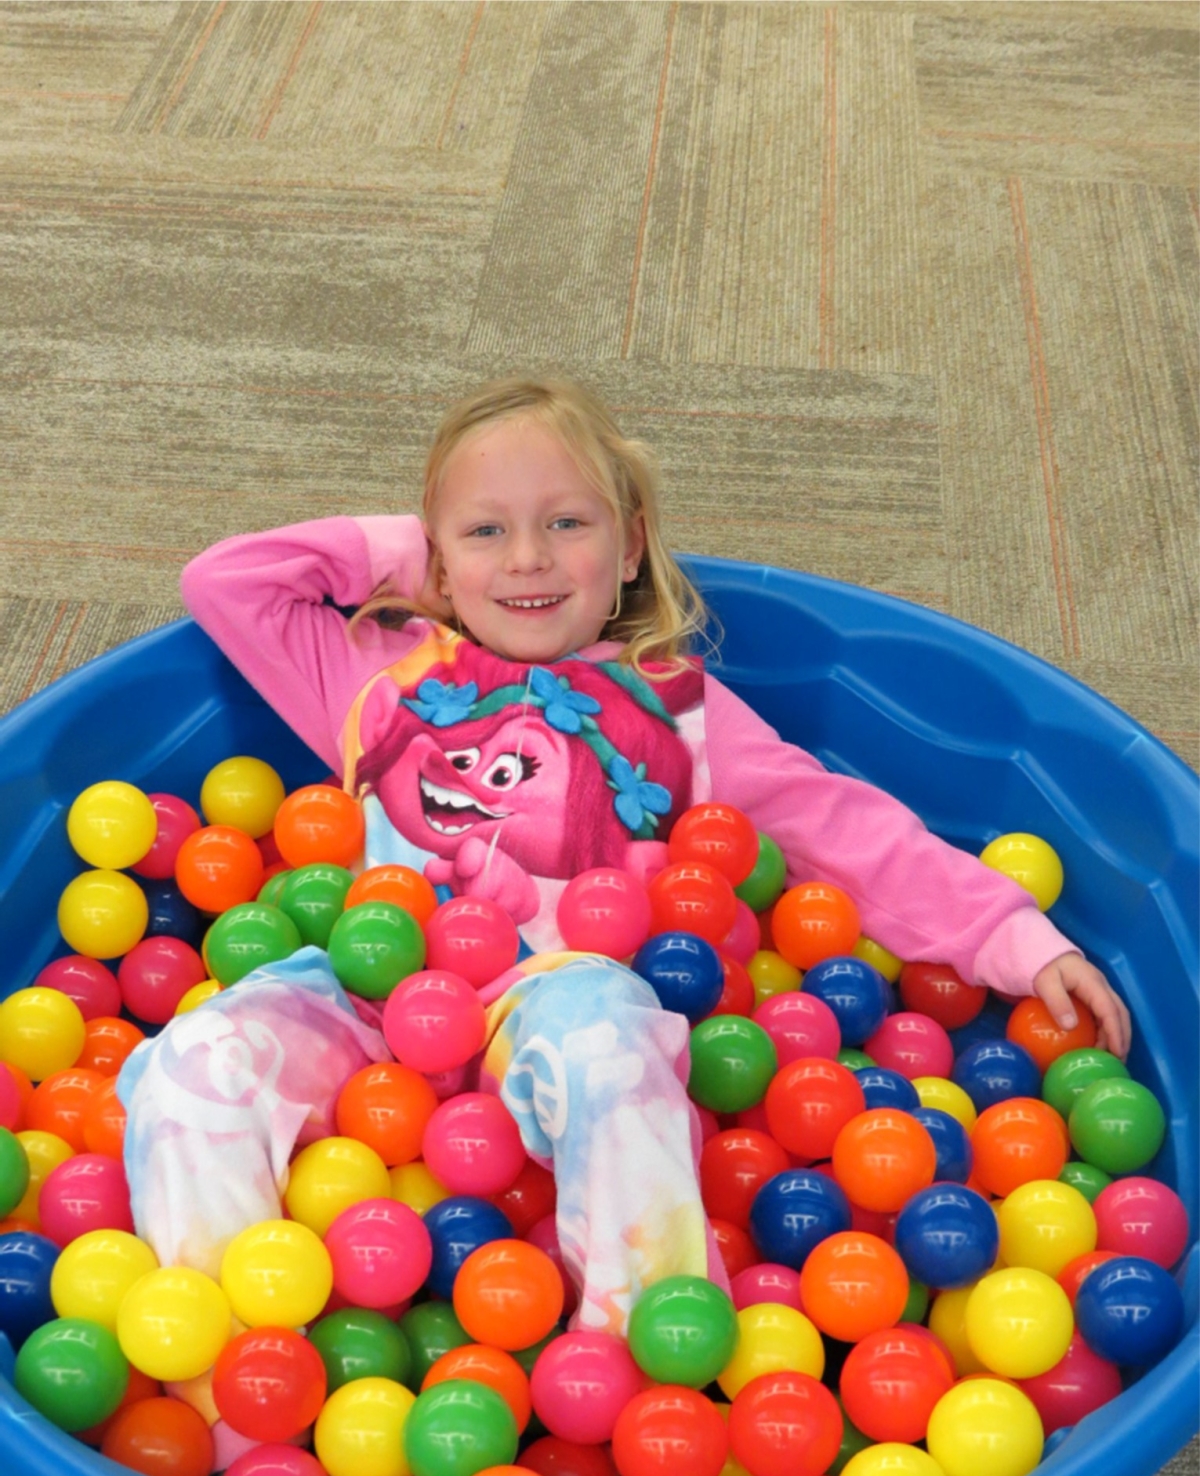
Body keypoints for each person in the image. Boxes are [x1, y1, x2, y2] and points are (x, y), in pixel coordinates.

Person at [118, 375, 1130, 1334]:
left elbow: (842, 826)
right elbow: (226, 582)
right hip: (364, 994)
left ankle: (648, 1362)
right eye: (486, 530)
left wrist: (1012, 936)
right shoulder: (373, 672)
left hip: (551, 996)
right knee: (193, 1063)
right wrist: (412, 555)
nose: (528, 558)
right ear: (434, 556)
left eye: (567, 522)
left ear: (632, 542)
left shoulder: (680, 709)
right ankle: (234, 1376)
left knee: (613, 1045)